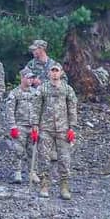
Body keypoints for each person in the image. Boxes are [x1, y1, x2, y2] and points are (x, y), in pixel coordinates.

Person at [34, 63, 78, 199]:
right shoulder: (43, 88)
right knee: (44, 158)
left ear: (61, 73)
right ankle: (44, 185)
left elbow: (72, 108)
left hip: (62, 129)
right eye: (52, 71)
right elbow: (36, 107)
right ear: (48, 73)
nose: (54, 73)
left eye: (56, 71)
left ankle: (64, 187)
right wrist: (34, 125)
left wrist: (72, 127)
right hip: (45, 129)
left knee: (64, 159)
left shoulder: (67, 89)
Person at [5, 67, 41, 184]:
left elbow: (39, 110)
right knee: (18, 150)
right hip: (20, 125)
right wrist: (12, 127)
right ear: (22, 78)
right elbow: (9, 111)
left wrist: (38, 126)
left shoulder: (35, 93)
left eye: (32, 78)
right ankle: (17, 172)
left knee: (32, 150)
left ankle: (33, 172)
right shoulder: (15, 93)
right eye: (28, 78)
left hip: (32, 126)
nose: (30, 80)